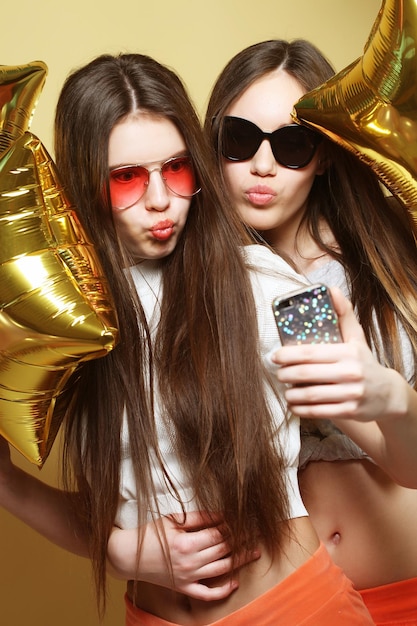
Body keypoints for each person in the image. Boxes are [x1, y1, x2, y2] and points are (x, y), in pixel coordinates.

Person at [0, 52, 377, 625]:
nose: (159, 201)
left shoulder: (278, 283)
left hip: (298, 610)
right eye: (126, 178)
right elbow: (121, 505)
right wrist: (112, 547)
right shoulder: (62, 318)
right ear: (83, 180)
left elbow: (395, 450)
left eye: (175, 170)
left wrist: (388, 397)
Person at [204, 38, 417, 625]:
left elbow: (408, 465)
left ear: (323, 156)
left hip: (402, 594)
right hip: (284, 604)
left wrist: (390, 397)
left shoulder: (379, 269)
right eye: (240, 139)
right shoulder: (208, 287)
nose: (263, 166)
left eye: (292, 145)